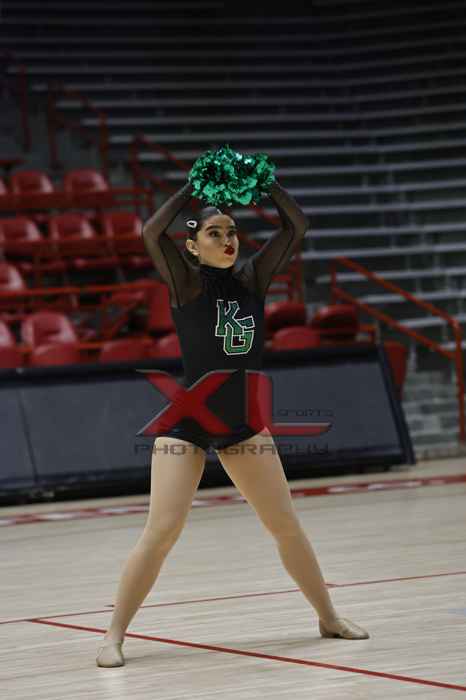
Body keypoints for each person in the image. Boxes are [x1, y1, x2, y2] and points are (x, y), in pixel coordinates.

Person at [96, 177, 369, 667]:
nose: (227, 240)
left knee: (285, 526)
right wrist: (191, 187)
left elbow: (296, 226)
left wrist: (269, 185)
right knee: (162, 531)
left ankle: (328, 617)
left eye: (231, 232)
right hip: (189, 422)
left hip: (243, 423)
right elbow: (151, 232)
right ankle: (113, 636)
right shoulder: (186, 283)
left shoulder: (252, 280)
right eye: (214, 233)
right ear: (192, 246)